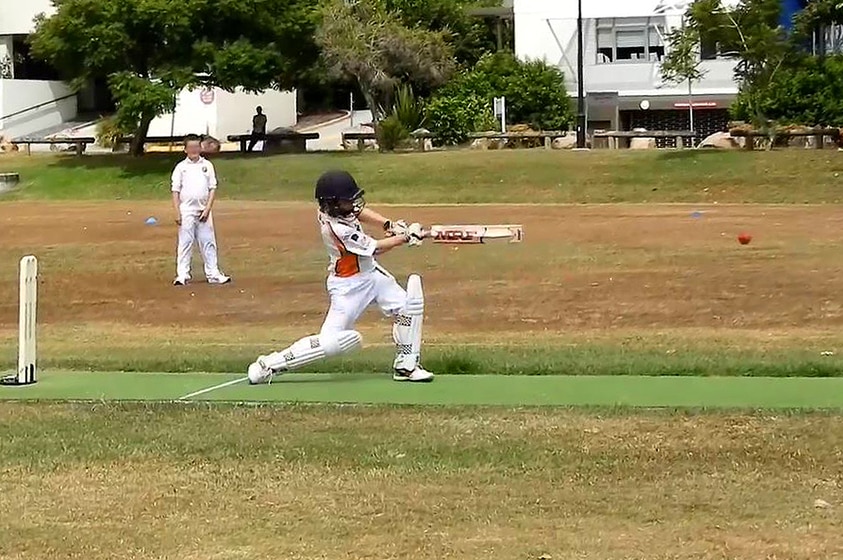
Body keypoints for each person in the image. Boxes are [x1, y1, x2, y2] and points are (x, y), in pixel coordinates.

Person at [247, 169, 434, 384]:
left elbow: (359, 213)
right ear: (333, 204)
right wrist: (405, 237)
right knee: (331, 343)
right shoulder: (336, 229)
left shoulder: (337, 211)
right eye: (347, 201)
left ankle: (406, 365)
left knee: (407, 307)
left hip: (371, 274)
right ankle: (270, 365)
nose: (353, 205)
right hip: (348, 287)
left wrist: (389, 225)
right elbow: (375, 248)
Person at [171, 134, 231, 286]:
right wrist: (177, 212)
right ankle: (182, 275)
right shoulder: (181, 167)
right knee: (186, 242)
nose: (194, 150)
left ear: (200, 148)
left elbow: (212, 188)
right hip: (187, 210)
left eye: (196, 147)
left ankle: (213, 273)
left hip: (204, 209)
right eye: (190, 147)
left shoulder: (207, 166)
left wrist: (207, 209)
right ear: (185, 149)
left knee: (208, 242)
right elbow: (175, 191)